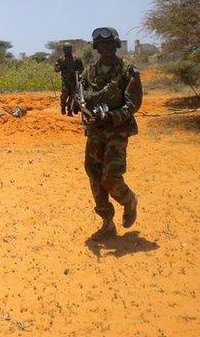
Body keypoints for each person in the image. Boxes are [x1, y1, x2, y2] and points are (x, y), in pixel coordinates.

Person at [79, 27, 143, 241]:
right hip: (96, 131)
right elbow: (85, 100)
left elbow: (133, 102)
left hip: (117, 130)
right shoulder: (90, 71)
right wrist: (87, 116)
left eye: (108, 44)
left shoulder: (127, 70)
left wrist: (112, 116)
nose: (104, 47)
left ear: (115, 45)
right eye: (101, 44)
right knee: (94, 174)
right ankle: (107, 223)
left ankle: (129, 200)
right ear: (97, 47)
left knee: (110, 178)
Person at [54, 42, 84, 116]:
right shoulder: (61, 59)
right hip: (65, 81)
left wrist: (79, 74)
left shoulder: (76, 59)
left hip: (74, 81)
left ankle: (70, 111)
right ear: (64, 50)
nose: (68, 51)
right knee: (64, 95)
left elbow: (82, 68)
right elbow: (56, 69)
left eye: (69, 49)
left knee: (72, 96)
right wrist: (60, 66)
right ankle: (63, 106)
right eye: (66, 49)